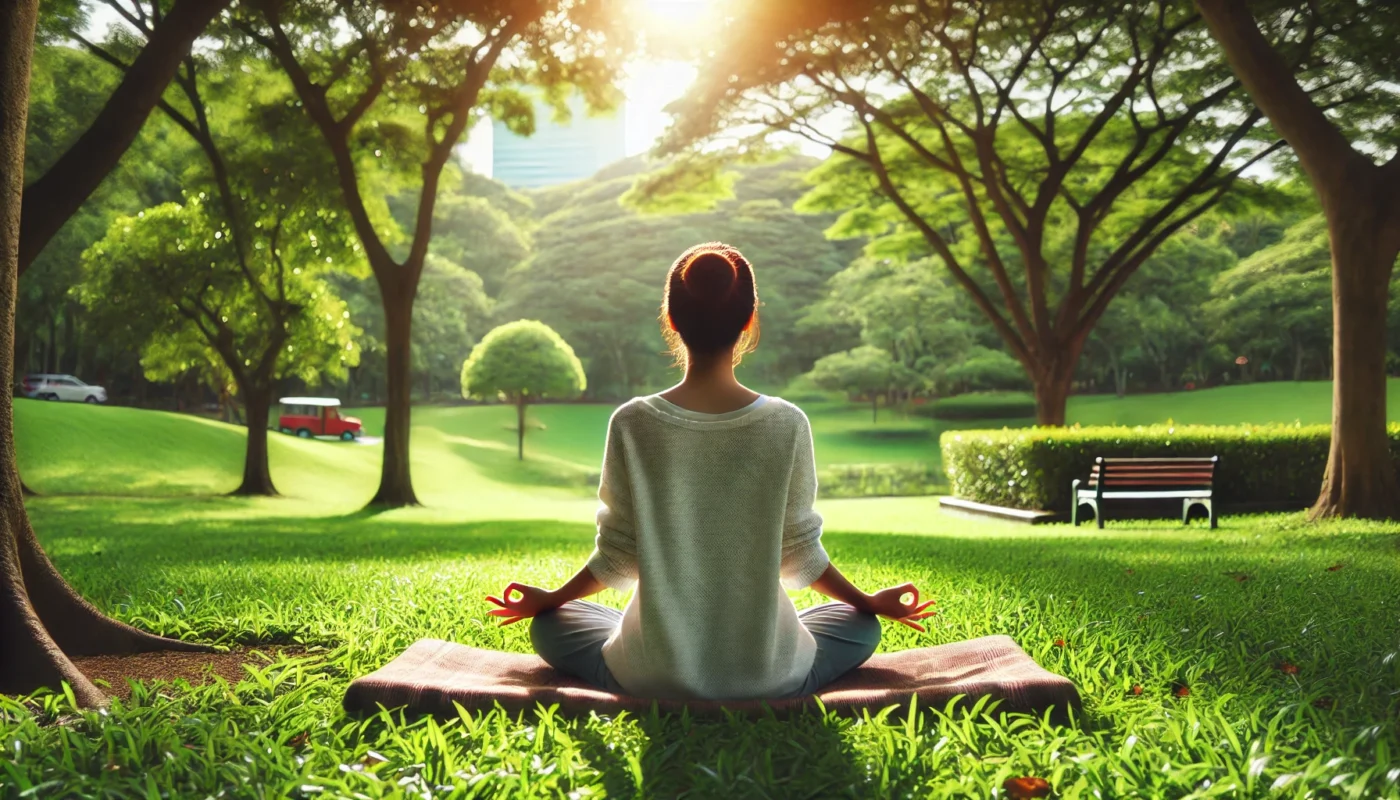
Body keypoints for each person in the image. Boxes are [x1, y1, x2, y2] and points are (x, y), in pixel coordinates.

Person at [485, 242, 934, 700]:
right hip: (769, 674)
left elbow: (619, 554)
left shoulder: (632, 421)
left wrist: (551, 600)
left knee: (553, 626)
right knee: (859, 627)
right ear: (749, 320)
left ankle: (653, 652)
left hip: (653, 673)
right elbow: (799, 550)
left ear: (671, 319)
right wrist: (868, 603)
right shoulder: (787, 423)